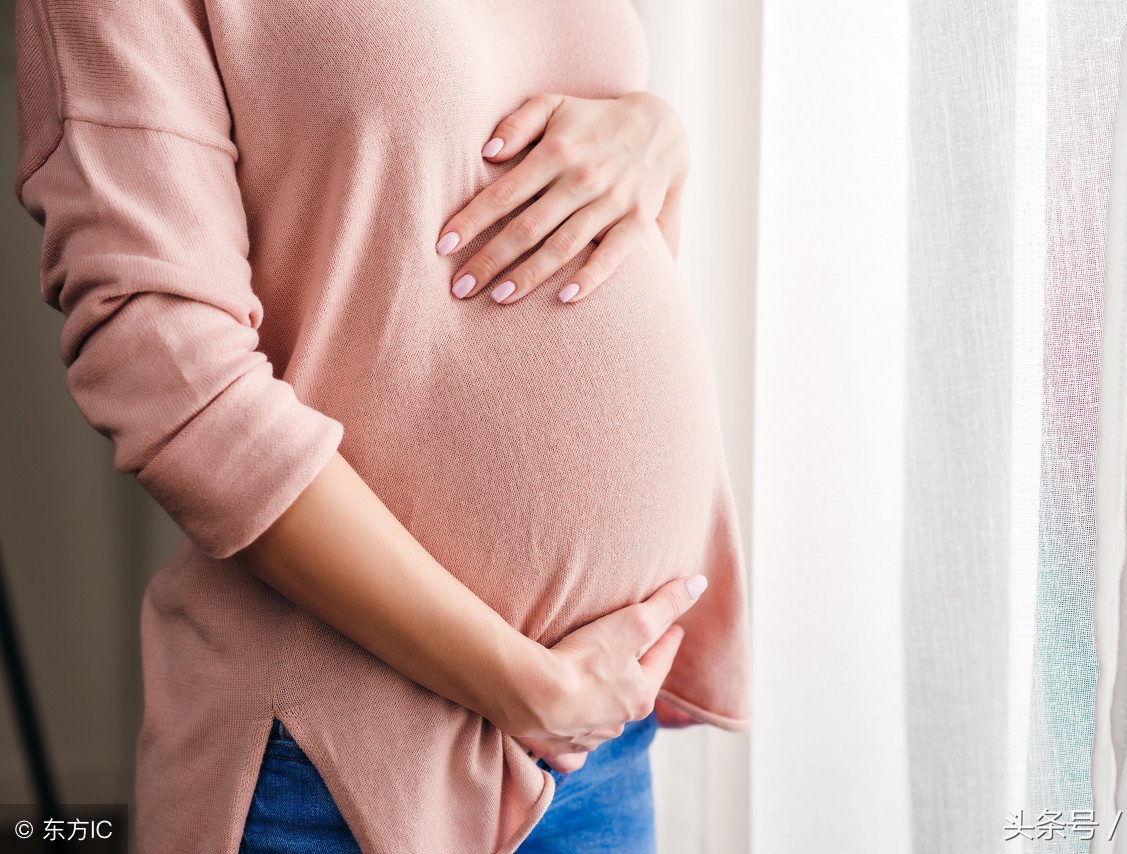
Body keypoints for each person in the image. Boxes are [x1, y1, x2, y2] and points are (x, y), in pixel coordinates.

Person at [13, 1, 751, 852]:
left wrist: (659, 140)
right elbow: (167, 370)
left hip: (601, 732)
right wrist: (525, 687)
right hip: (347, 763)